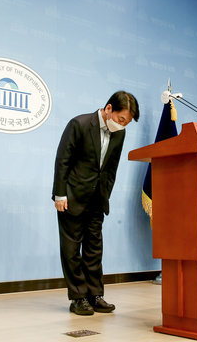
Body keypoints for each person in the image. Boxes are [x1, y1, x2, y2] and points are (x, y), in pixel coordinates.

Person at [52, 91, 140, 315]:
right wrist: (60, 194)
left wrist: (105, 195)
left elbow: (111, 169)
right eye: (121, 120)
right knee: (72, 249)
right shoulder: (79, 124)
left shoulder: (119, 134)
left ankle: (95, 293)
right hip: (72, 197)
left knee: (94, 249)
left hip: (97, 199)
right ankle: (78, 298)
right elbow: (63, 160)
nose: (122, 126)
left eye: (127, 123)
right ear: (109, 109)